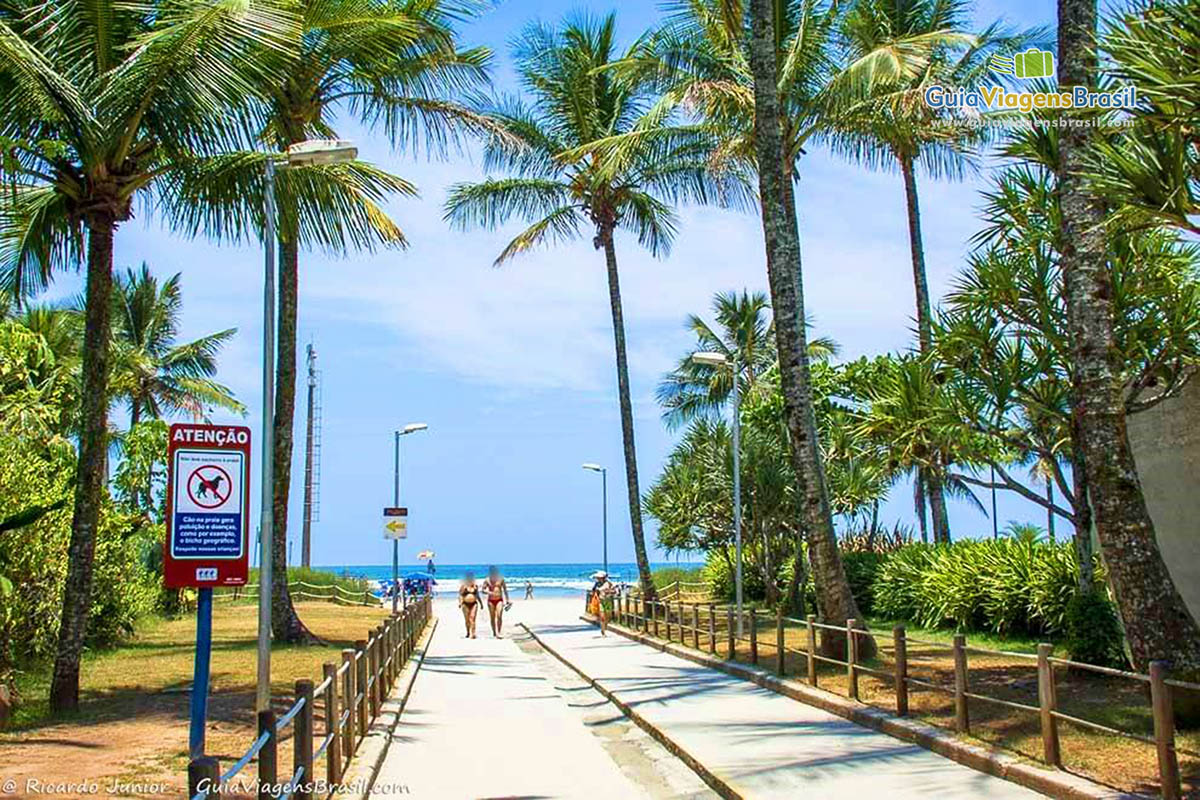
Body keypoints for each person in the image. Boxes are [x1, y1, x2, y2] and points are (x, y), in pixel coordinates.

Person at [481, 566, 510, 638]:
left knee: (499, 615)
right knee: (492, 617)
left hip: (499, 600)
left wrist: (507, 600)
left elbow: (505, 590)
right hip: (491, 601)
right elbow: (483, 590)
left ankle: (499, 632)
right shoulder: (487, 580)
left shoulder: (501, 579)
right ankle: (494, 632)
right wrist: (489, 592)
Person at [590, 571, 616, 636]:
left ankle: (605, 626)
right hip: (600, 601)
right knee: (602, 616)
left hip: (608, 601)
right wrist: (595, 592)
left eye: (599, 577)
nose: (598, 579)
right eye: (598, 578)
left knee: (608, 616)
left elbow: (614, 591)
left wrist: (608, 591)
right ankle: (603, 631)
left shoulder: (609, 583)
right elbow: (593, 591)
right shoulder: (597, 584)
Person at [458, 572, 481, 638]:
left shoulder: (475, 586)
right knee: (467, 619)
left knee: (472, 618)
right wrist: (460, 603)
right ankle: (468, 632)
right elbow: (460, 595)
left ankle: (473, 633)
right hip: (465, 604)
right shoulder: (464, 586)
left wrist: (481, 603)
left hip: (474, 604)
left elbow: (477, 595)